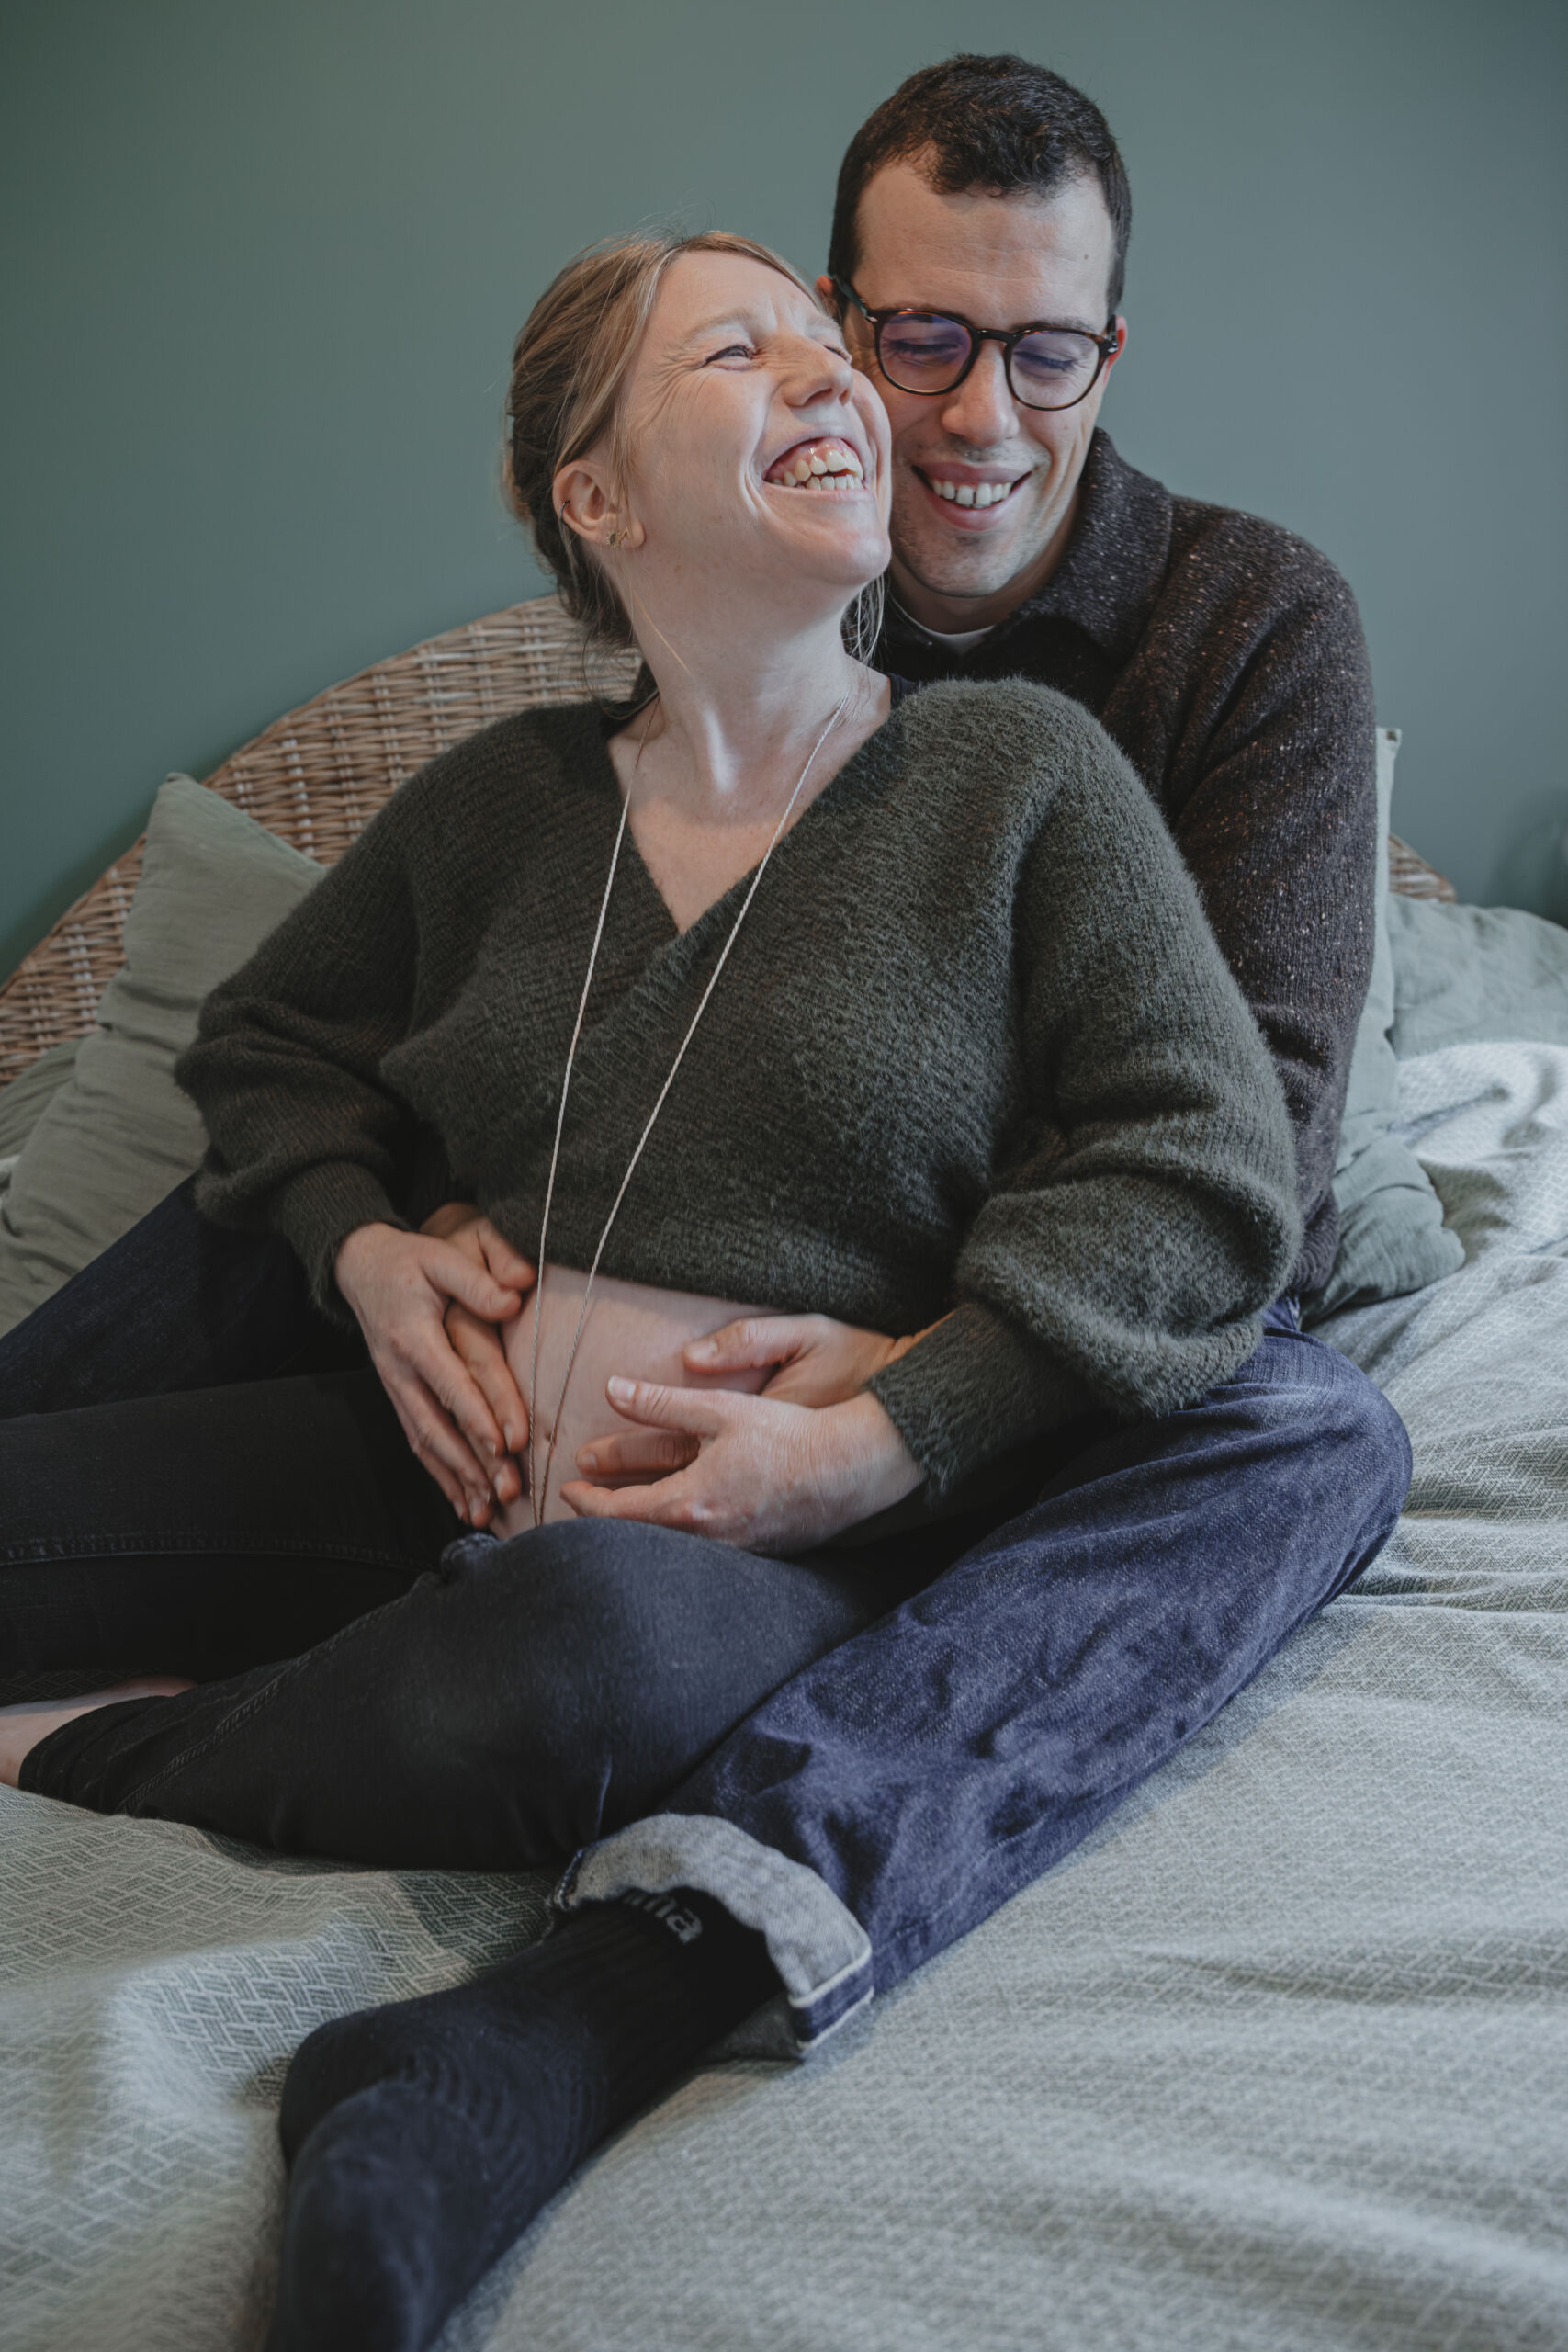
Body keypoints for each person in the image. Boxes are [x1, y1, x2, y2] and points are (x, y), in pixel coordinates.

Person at [0, 104, 1408, 2352]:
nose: (926, 403)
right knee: (204, 1264)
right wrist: (368, 1243)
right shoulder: (492, 801)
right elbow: (269, 1039)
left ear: (1106, 357)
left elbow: (1234, 1164)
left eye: (1036, 355)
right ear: (596, 495)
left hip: (834, 1487)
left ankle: (183, 1780)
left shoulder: (1041, 763)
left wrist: (901, 1407)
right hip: (436, 1436)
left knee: (1298, 1429)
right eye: (837, 343)